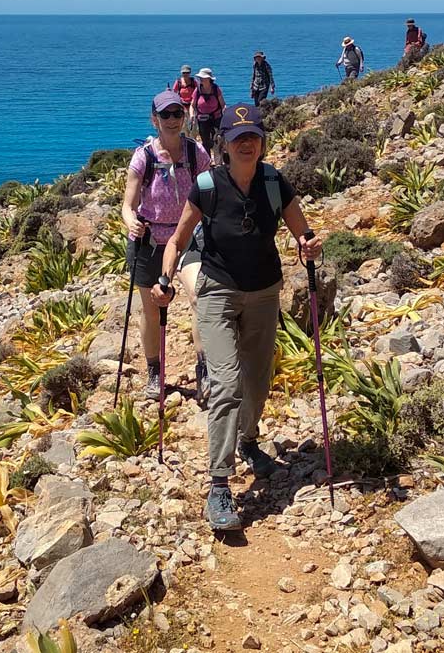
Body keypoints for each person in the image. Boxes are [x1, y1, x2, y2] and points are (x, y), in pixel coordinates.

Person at [155, 103, 323, 532]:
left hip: (265, 292)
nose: (246, 143)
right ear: (223, 144)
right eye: (237, 137)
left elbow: (303, 232)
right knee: (226, 383)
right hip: (218, 291)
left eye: (253, 136)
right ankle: (219, 484)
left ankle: (248, 441)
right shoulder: (208, 186)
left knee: (258, 380)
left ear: (262, 141)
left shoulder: (273, 182)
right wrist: (165, 280)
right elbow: (176, 241)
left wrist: (309, 247)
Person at [121, 91, 212, 402]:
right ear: (154, 119)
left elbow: (210, 191)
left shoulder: (195, 152)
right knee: (152, 308)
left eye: (177, 113)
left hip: (187, 237)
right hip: (149, 241)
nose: (172, 120)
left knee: (199, 294)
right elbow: (128, 204)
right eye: (166, 115)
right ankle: (154, 370)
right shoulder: (143, 158)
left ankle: (204, 370)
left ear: (184, 116)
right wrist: (130, 221)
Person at [190, 68, 226, 155]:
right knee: (205, 140)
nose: (201, 79)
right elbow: (192, 105)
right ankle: (207, 161)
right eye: (200, 78)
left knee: (218, 139)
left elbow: (223, 104)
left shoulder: (216, 89)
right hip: (202, 119)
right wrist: (192, 115)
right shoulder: (197, 90)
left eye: (203, 77)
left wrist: (225, 116)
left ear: (209, 79)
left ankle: (219, 161)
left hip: (216, 118)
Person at [173, 65, 200, 134]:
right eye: (184, 73)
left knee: (194, 124)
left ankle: (193, 139)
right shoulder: (178, 82)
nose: (185, 74)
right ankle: (185, 139)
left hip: (193, 106)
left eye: (187, 73)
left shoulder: (194, 82)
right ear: (181, 73)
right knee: (183, 125)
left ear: (190, 73)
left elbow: (199, 91)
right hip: (182, 106)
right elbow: (173, 93)